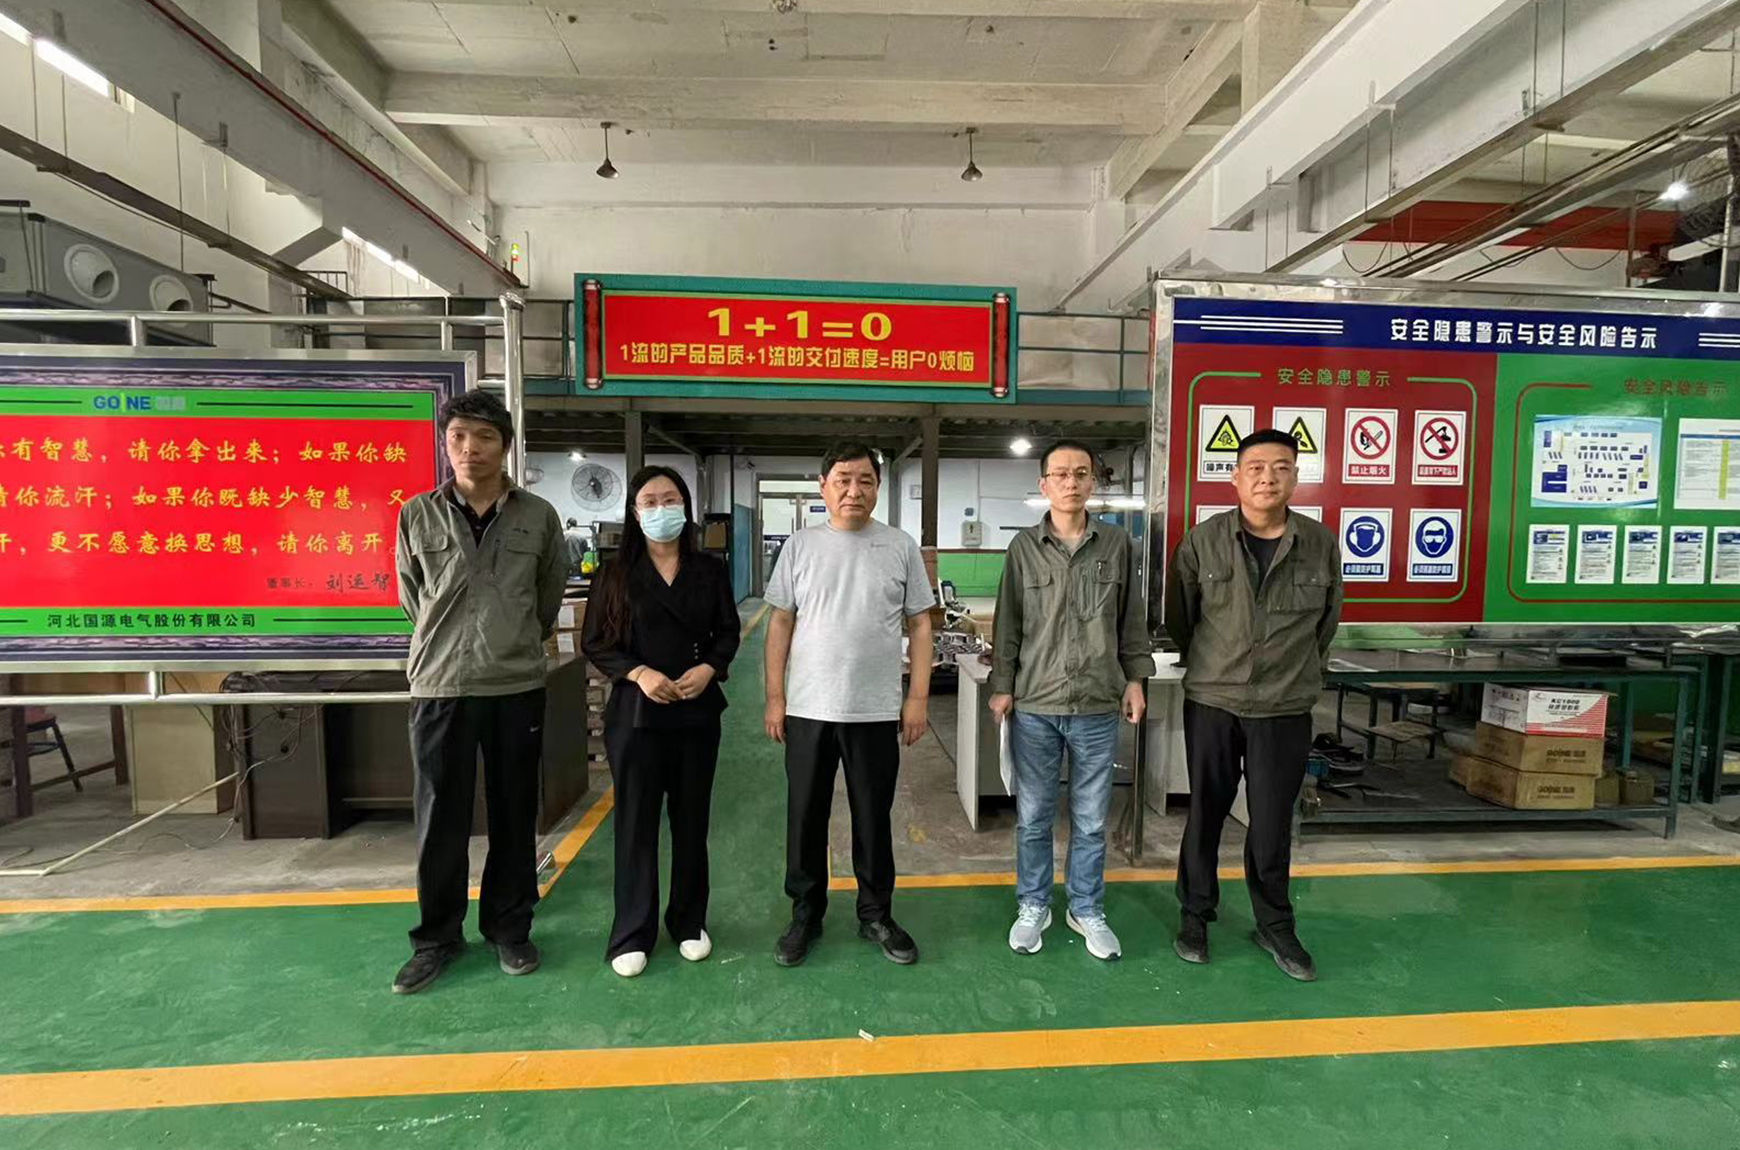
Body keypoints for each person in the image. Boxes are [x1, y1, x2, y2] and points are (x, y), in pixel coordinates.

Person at [391, 389, 568, 995]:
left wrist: (508, 640)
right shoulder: (417, 514)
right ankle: (437, 939)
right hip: (439, 685)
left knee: (514, 813)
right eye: (459, 436)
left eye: (485, 437)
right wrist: (447, 644)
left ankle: (509, 928)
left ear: (506, 447)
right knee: (439, 816)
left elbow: (547, 596)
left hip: (515, 684)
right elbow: (411, 596)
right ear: (446, 444)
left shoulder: (537, 516)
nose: (471, 448)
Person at [1164, 428, 1343, 982]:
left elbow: (1325, 625)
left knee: (1271, 822)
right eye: (1257, 468)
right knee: (1206, 813)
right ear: (1236, 477)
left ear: (1296, 477)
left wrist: (1292, 674)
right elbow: (1181, 619)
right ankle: (1195, 915)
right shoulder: (1203, 542)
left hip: (1284, 708)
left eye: (1281, 467)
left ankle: (1275, 924)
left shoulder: (1319, 544)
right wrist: (1217, 664)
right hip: (1214, 701)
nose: (1269, 478)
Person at [764, 442, 935, 967]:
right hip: (809, 708)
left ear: (878, 488)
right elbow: (781, 621)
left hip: (875, 711)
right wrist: (775, 696)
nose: (853, 491)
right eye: (842, 479)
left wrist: (917, 697)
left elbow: (920, 624)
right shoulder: (800, 546)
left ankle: (875, 914)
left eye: (864, 480)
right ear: (823, 486)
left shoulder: (899, 546)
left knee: (872, 817)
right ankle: (805, 914)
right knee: (805, 816)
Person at [989, 441, 1154, 960]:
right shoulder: (1022, 548)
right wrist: (1002, 686)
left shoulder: (1118, 545)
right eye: (1060, 474)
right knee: (1034, 816)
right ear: (1044, 485)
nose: (1071, 482)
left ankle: (1085, 907)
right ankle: (1033, 904)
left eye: (1081, 473)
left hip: (1097, 704)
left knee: (1090, 819)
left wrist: (1135, 679)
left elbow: (1131, 618)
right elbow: (1008, 623)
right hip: (1036, 705)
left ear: (1092, 483)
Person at [581, 466, 740, 978]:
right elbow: (596, 642)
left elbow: (727, 632)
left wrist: (709, 668)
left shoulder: (709, 570)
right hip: (636, 717)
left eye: (670, 500)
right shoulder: (614, 574)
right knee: (635, 824)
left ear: (686, 508)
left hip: (696, 713)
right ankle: (632, 931)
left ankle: (689, 920)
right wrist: (639, 672)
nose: (660, 509)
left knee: (692, 821)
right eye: (649, 502)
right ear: (634, 512)